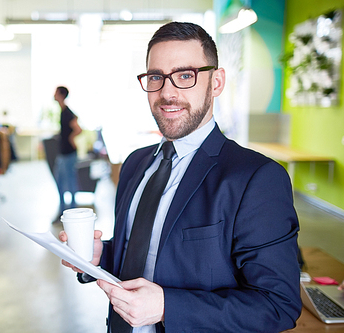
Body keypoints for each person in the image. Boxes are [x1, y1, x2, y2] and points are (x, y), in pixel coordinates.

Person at [60, 22, 302, 332]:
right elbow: (145, 256)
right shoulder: (135, 164)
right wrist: (99, 257)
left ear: (215, 83)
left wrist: (166, 307)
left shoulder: (256, 178)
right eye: (156, 77)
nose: (167, 93)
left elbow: (277, 305)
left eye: (185, 76)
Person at [53, 86, 82, 222]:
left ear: (60, 94)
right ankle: (63, 210)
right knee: (60, 181)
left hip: (69, 153)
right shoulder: (62, 111)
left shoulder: (67, 113)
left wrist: (71, 138)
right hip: (63, 153)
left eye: (56, 92)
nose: (54, 94)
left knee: (70, 182)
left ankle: (72, 211)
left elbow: (78, 129)